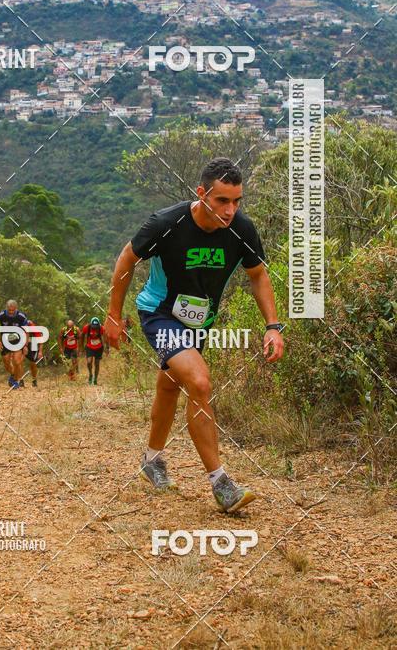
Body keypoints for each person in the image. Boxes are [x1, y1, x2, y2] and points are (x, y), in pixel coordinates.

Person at [105, 158, 285, 514]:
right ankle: (222, 485)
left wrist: (272, 325)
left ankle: (152, 460)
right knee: (199, 382)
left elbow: (259, 275)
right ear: (201, 194)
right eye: (222, 201)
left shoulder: (241, 230)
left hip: (199, 323)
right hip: (159, 313)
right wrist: (113, 315)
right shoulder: (167, 223)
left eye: (236, 201)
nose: (230, 210)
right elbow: (127, 259)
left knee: (171, 384)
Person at [0, 299, 29, 390]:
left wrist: (25, 345)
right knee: (6, 362)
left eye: (13, 310)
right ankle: (13, 375)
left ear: (16, 308)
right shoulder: (0, 316)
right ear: (6, 308)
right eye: (9, 310)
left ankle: (15, 381)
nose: (11, 312)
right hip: (4, 341)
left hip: (18, 341)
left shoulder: (21, 317)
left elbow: (26, 331)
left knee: (17, 361)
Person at [81, 316, 108, 386]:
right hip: (89, 346)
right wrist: (81, 347)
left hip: (99, 347)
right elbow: (82, 335)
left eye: (96, 327)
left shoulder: (101, 328)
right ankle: (90, 374)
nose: (95, 328)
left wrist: (106, 348)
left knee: (97, 363)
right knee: (89, 362)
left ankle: (95, 379)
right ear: (91, 324)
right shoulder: (87, 327)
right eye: (93, 326)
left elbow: (105, 338)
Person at [24, 321, 44, 387]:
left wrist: (40, 352)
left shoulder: (34, 328)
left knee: (33, 363)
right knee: (19, 362)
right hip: (23, 346)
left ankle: (34, 379)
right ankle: (20, 379)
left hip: (33, 346)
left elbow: (41, 341)